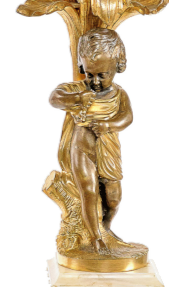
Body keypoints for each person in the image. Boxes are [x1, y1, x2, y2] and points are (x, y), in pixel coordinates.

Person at [49, 28, 135, 252]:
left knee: (113, 199)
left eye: (102, 75)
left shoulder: (119, 94)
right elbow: (55, 98)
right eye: (89, 74)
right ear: (82, 66)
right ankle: (95, 238)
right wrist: (76, 98)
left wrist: (108, 126)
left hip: (108, 150)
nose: (95, 81)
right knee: (89, 191)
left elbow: (127, 117)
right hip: (82, 148)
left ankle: (105, 227)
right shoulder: (77, 89)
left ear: (117, 66)